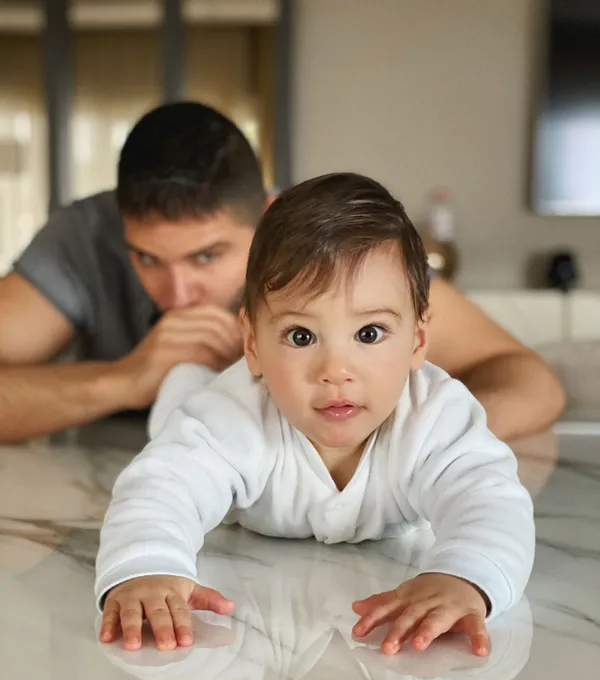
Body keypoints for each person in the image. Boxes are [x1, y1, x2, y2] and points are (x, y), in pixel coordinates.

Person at [95, 173, 535, 657]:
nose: (335, 371)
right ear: (252, 343)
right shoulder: (233, 416)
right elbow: (163, 486)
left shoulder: (436, 415)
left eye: (369, 333)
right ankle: (187, 375)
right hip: (199, 398)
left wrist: (464, 576)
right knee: (179, 406)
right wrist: (147, 566)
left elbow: (490, 499)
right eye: (301, 336)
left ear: (418, 339)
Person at [0, 102, 564, 446]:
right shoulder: (82, 237)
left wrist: (411, 443)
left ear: (268, 216)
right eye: (147, 259)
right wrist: (126, 378)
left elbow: (531, 382)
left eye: (207, 257)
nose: (177, 294)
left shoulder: (319, 241)